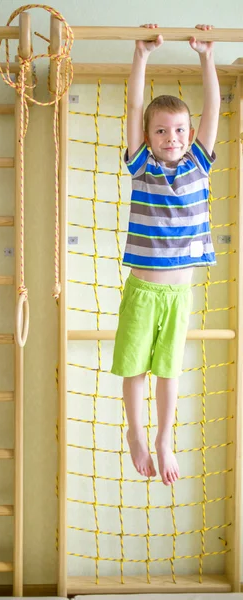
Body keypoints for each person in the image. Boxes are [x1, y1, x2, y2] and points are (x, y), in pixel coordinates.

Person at [111, 24, 220, 486]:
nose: (170, 137)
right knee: (135, 366)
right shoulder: (143, 165)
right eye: (160, 130)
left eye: (178, 129)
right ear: (148, 136)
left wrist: (207, 58)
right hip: (143, 290)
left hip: (179, 296)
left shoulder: (199, 161)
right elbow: (135, 106)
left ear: (190, 133)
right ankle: (136, 433)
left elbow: (213, 105)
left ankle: (162, 437)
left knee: (168, 371)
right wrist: (140, 57)